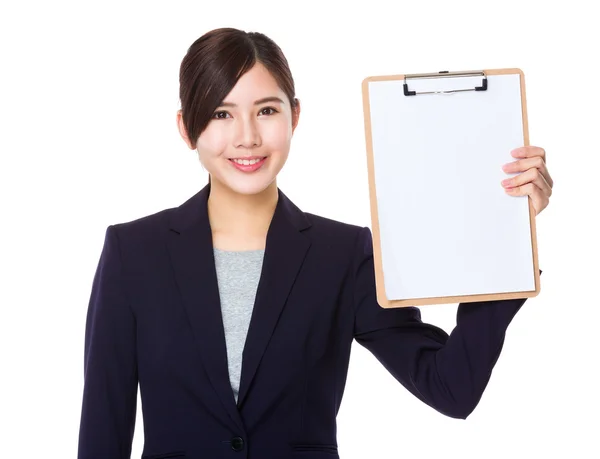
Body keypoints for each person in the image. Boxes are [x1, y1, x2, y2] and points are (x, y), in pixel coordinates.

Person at [77, 27, 553, 459]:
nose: (247, 137)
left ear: (295, 116)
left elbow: (451, 388)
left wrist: (508, 232)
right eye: (222, 113)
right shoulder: (132, 253)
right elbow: (103, 433)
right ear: (187, 128)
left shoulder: (342, 255)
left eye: (266, 110)